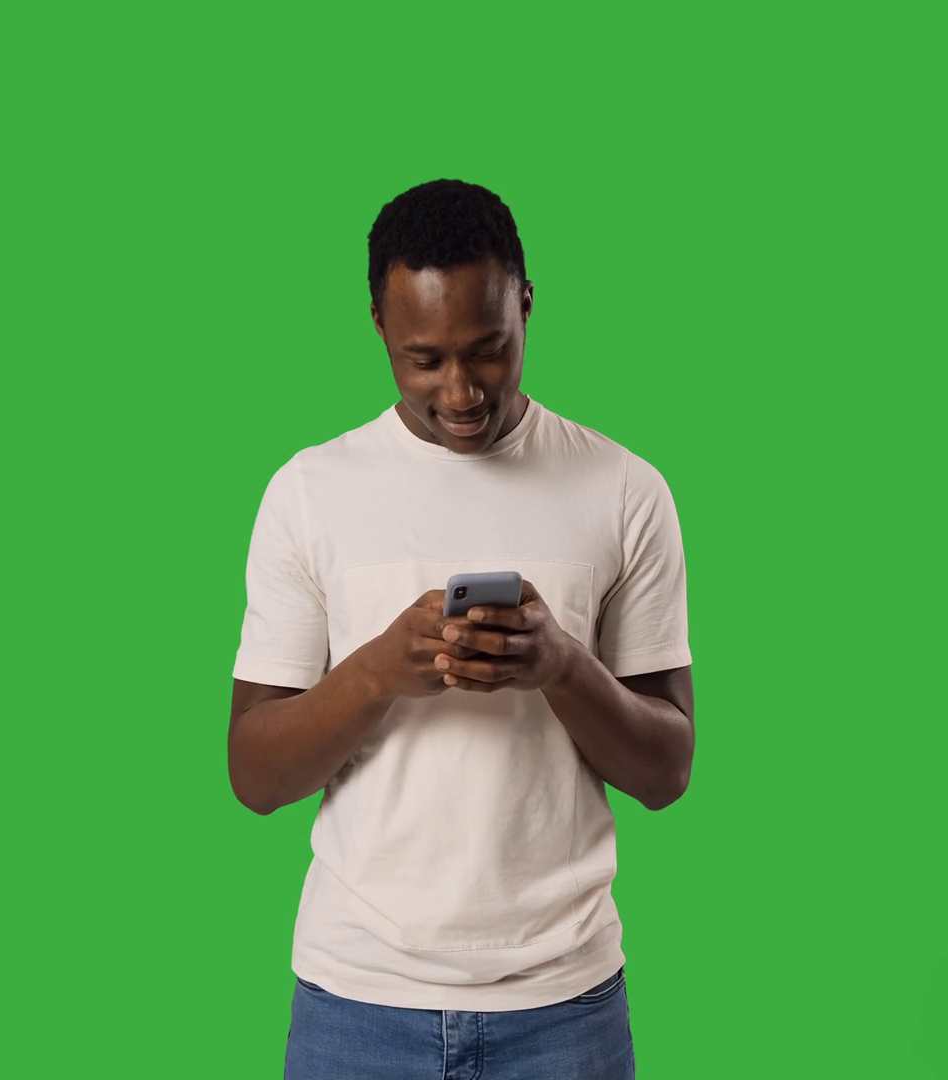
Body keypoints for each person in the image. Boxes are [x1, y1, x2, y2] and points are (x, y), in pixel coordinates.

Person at [228, 178, 694, 1080]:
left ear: (526, 304)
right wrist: (376, 673)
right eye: (424, 359)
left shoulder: (625, 491)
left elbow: (666, 771)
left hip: (564, 1007)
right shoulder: (308, 495)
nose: (461, 389)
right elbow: (254, 775)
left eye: (488, 349)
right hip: (356, 1003)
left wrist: (560, 666)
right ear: (378, 325)